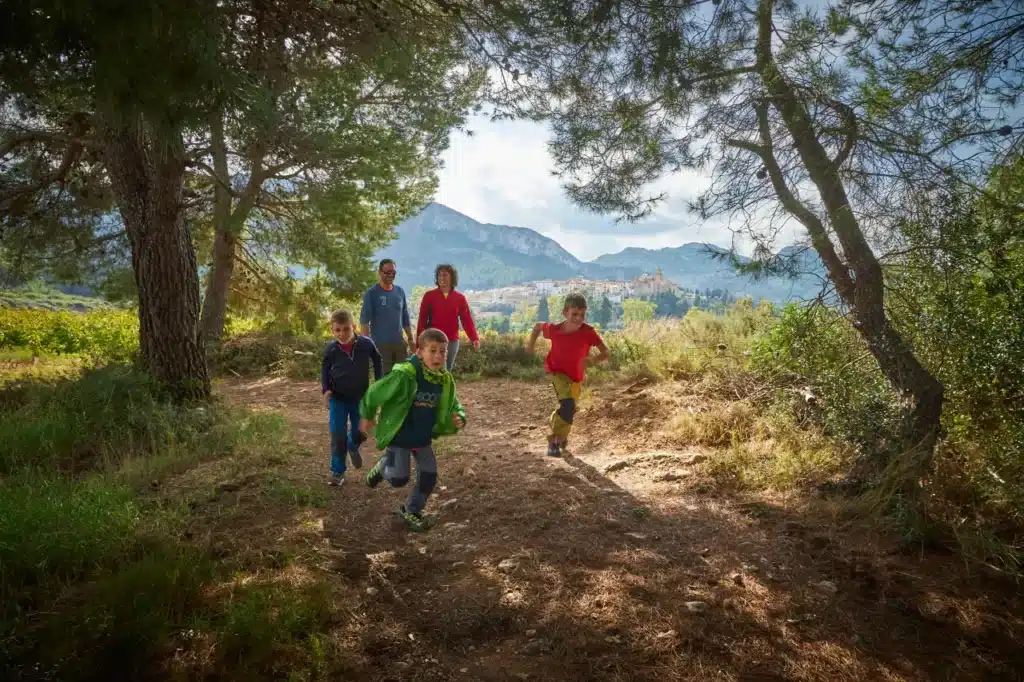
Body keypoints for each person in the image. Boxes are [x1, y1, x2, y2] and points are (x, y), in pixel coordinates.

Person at [359, 328, 466, 531]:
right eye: (432, 350)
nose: (438, 356)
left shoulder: (444, 380)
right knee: (399, 479)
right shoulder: (405, 375)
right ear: (419, 352)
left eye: (442, 351)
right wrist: (367, 415)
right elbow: (374, 393)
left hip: (422, 438)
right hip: (399, 436)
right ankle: (384, 466)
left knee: (429, 476)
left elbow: (454, 404)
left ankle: (411, 510)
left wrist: (459, 416)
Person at [526, 293, 610, 458]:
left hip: (575, 377)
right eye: (574, 314)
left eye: (582, 314)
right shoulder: (555, 330)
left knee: (569, 410)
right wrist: (530, 346)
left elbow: (606, 352)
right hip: (556, 371)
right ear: (565, 313)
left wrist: (593, 360)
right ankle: (554, 442)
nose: (578, 318)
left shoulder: (588, 332)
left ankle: (560, 433)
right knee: (568, 405)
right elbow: (537, 326)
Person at [322, 309, 383, 486]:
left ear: (354, 327)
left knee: (361, 432)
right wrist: (325, 390)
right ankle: (337, 472)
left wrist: (379, 384)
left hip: (361, 399)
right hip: (338, 399)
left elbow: (377, 360)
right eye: (337, 330)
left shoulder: (366, 344)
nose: (342, 334)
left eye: (346, 329)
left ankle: (352, 446)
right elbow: (325, 370)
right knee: (337, 435)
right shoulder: (331, 349)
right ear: (332, 330)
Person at [416, 264, 480, 371]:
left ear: (452, 278)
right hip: (434, 340)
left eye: (445, 275)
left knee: (447, 372)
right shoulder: (429, 296)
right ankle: (438, 388)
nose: (441, 278)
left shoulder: (460, 298)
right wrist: (419, 343)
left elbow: (466, 320)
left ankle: (444, 388)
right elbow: (422, 320)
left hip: (452, 341)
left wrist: (474, 338)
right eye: (439, 275)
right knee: (440, 370)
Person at [360, 258, 415, 374]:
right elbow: (364, 322)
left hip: (399, 344)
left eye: (393, 272)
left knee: (401, 377)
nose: (391, 275)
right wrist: (366, 346)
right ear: (380, 272)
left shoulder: (400, 292)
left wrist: (410, 339)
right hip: (380, 346)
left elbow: (405, 318)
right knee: (384, 381)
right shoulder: (372, 293)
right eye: (387, 272)